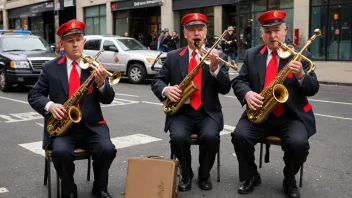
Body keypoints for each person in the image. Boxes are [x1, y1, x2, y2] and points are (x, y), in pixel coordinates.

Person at [230, 10, 319, 198]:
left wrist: (301, 76)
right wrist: (247, 94)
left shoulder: (301, 54)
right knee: (239, 136)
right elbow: (239, 81)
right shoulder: (252, 54)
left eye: (276, 30)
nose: (273, 36)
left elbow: (313, 88)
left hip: (291, 116)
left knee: (299, 144)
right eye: (268, 31)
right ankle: (252, 176)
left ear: (285, 30)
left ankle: (289, 180)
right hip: (261, 112)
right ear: (261, 33)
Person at [28, 19, 116, 198]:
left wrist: (101, 84)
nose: (75, 44)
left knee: (108, 149)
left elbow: (108, 99)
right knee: (60, 153)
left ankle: (100, 188)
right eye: (70, 41)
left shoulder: (94, 67)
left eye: (78, 39)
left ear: (84, 41)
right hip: (63, 129)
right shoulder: (50, 68)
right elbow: (34, 95)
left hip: (92, 126)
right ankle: (69, 189)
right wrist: (50, 105)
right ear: (61, 44)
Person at [151, 13, 231, 192]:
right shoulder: (173, 56)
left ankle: (204, 175)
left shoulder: (218, 56)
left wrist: (215, 68)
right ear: (185, 34)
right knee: (178, 138)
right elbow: (157, 81)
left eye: (200, 29)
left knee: (211, 137)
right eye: (191, 30)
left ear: (206, 33)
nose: (196, 33)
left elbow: (226, 89)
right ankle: (186, 175)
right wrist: (166, 90)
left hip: (208, 112)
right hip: (181, 113)